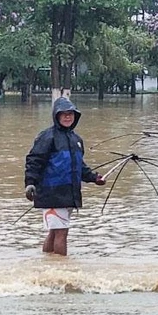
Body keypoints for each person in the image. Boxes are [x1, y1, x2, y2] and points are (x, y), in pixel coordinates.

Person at [24, 96, 106, 256]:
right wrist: (30, 183)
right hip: (52, 193)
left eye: (71, 114)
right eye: (64, 114)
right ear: (57, 116)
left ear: (76, 116)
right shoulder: (47, 137)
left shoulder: (77, 140)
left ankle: (48, 262)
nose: (68, 117)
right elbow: (34, 161)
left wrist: (94, 178)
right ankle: (62, 266)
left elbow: (79, 166)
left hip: (70, 194)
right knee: (62, 233)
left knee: (55, 231)